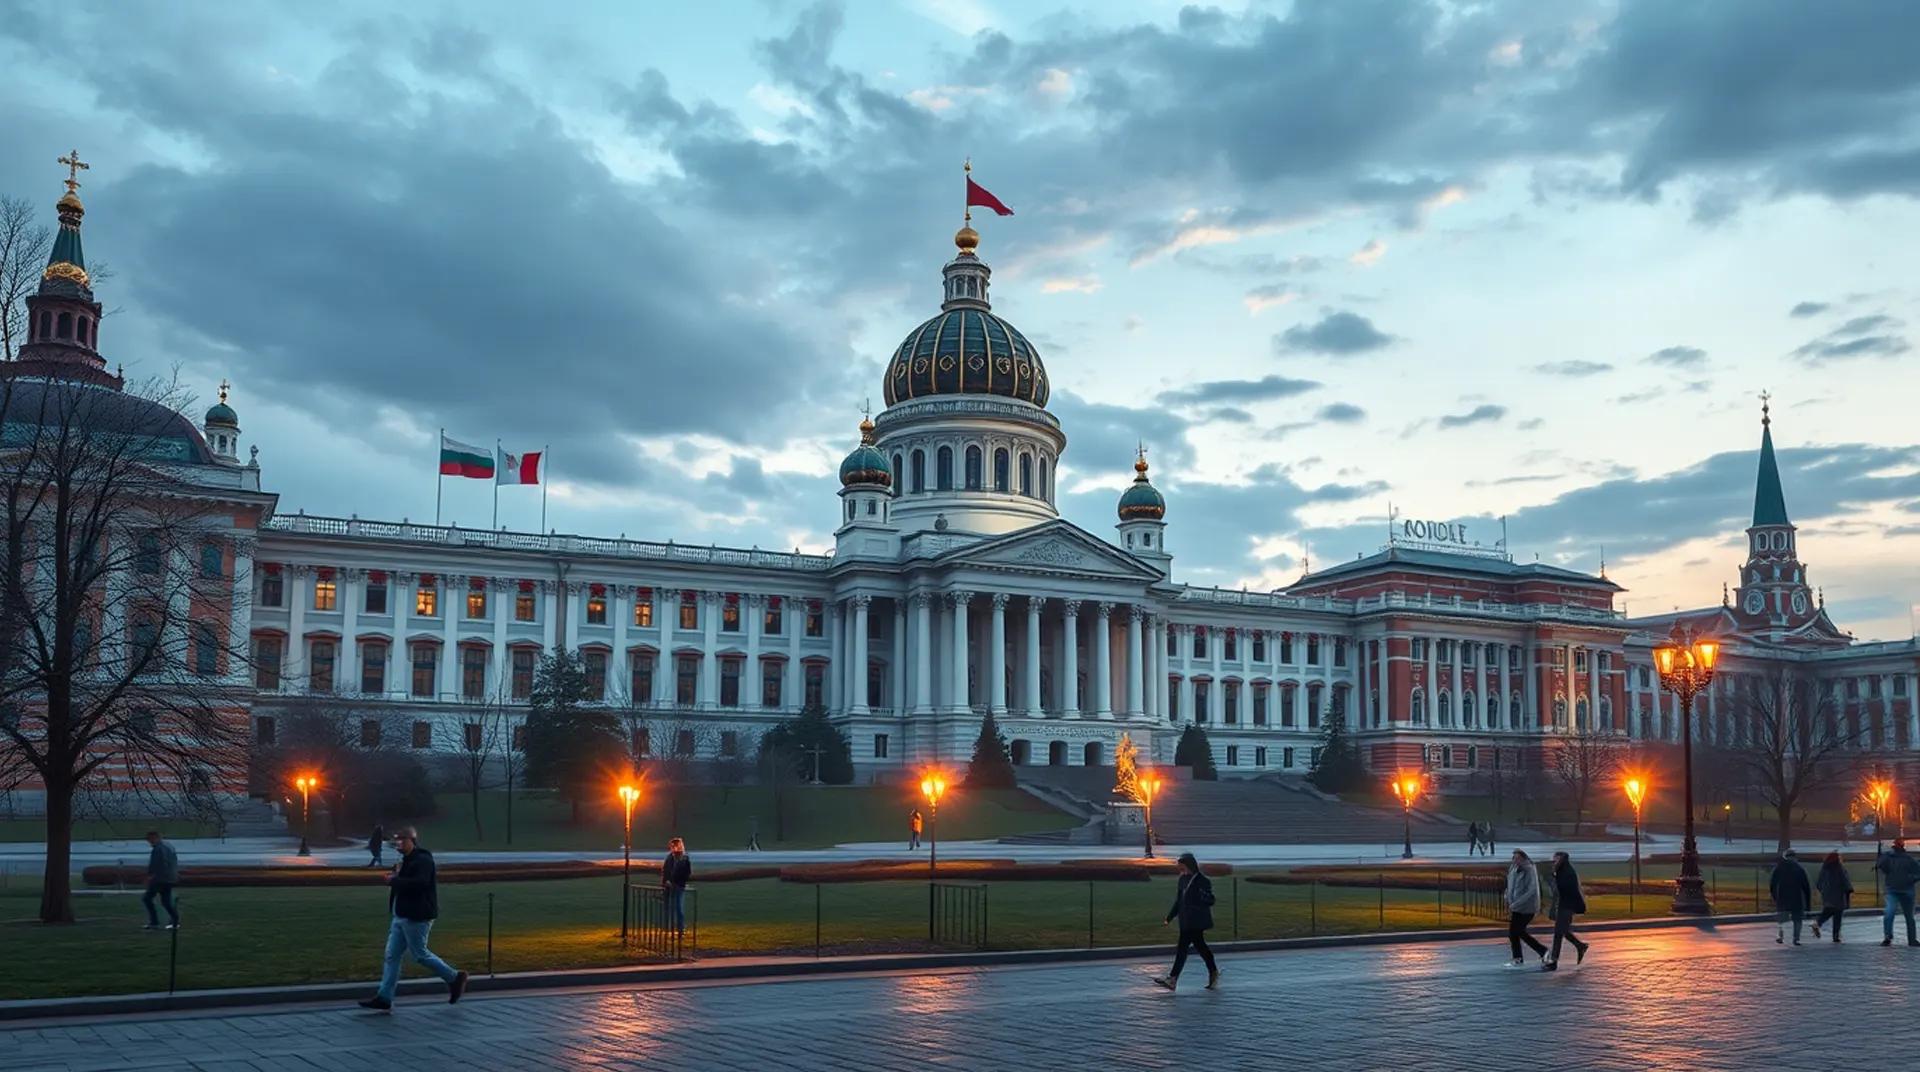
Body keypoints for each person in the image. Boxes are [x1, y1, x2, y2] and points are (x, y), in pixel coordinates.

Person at [359, 827, 466, 1011]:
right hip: (400, 915)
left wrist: (394, 881)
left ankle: (455, 977)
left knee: (419, 954)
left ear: (412, 841)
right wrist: (396, 877)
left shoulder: (423, 860)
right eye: (397, 840)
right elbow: (405, 883)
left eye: (402, 840)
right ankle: (384, 997)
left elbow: (421, 883)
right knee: (392, 956)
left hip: (416, 916)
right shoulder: (406, 861)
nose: (398, 843)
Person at [1154, 852, 1219, 992]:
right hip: (1185, 920)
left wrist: (1202, 898)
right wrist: (1170, 916)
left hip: (1196, 920)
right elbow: (1179, 900)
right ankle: (1213, 971)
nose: (1179, 868)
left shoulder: (1202, 881)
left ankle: (1173, 979)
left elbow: (1210, 900)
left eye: (1181, 866)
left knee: (1183, 948)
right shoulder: (1183, 879)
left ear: (1188, 865)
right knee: (1201, 946)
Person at [1542, 850, 1588, 971]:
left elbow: (1563, 890)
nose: (1554, 861)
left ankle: (1553, 961)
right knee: (1563, 930)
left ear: (1562, 859)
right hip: (1564, 905)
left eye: (1556, 859)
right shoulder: (1562, 871)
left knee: (1558, 933)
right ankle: (1580, 946)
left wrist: (1551, 879)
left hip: (1567, 906)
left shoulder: (1568, 873)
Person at [1504, 849, 1549, 967]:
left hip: (1527, 907)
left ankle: (1542, 950)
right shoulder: (1513, 869)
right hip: (1516, 906)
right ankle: (1518, 958)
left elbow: (1532, 889)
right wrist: (1507, 895)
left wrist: (1518, 902)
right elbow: (1510, 884)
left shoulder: (1529, 869)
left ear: (1524, 859)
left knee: (1519, 931)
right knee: (1513, 933)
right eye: (1514, 858)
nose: (1516, 861)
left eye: (1519, 858)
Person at [1876, 838, 1920, 947]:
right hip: (1902, 890)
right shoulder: (1907, 859)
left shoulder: (1891, 857)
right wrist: (1911, 880)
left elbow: (1880, 866)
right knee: (1907, 916)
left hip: (1895, 889)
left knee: (1891, 913)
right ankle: (1911, 939)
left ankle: (1889, 936)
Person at [1769, 848, 1812, 945]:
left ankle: (1781, 936)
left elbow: (1773, 884)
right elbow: (1806, 886)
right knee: (1797, 919)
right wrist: (1807, 902)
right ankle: (1796, 938)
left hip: (1783, 897)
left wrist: (1775, 896)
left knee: (1782, 918)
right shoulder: (1799, 869)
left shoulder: (1779, 868)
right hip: (1796, 898)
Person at [142, 829, 180, 932]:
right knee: (166, 901)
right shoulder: (168, 846)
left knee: (147, 898)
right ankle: (175, 921)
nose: (149, 842)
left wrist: (151, 876)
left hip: (160, 878)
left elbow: (159, 864)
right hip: (169, 878)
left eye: (149, 840)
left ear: (154, 838)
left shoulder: (158, 849)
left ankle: (155, 922)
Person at [1813, 851, 1853, 943]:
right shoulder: (1839, 868)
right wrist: (1849, 889)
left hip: (1827, 896)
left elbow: (1819, 882)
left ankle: (1818, 924)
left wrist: (1823, 892)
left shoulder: (1825, 868)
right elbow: (1845, 880)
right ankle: (1835, 935)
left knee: (1828, 912)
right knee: (1837, 916)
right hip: (1838, 895)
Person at [663, 837, 693, 935]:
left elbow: (687, 872)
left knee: (679, 907)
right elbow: (665, 870)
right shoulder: (669, 858)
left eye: (676, 846)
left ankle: (680, 928)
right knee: (668, 907)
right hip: (669, 886)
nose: (675, 848)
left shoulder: (684, 858)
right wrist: (666, 881)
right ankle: (669, 927)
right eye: (673, 846)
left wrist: (677, 881)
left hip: (679, 886)